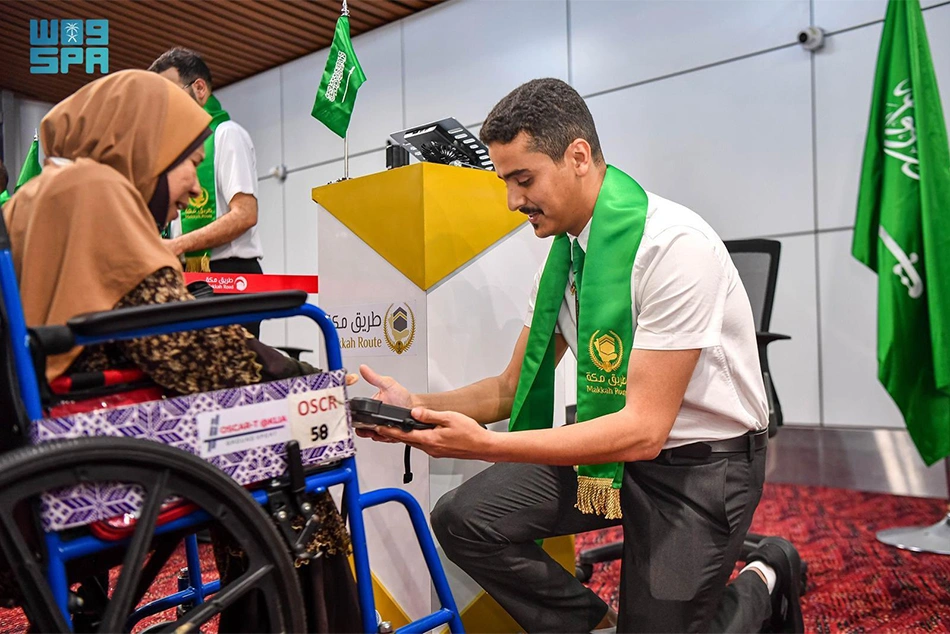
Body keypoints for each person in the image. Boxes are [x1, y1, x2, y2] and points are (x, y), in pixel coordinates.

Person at [358, 78, 804, 633]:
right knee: (464, 519)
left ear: (577, 156)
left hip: (701, 466)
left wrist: (489, 446)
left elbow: (644, 429)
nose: (513, 201)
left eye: (524, 179)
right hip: (614, 460)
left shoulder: (673, 249)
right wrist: (415, 404)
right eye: (505, 182)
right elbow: (508, 386)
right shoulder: (565, 262)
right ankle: (595, 625)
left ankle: (768, 575)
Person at [2, 70, 360, 633]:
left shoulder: (39, 197)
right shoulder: (96, 192)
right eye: (191, 162)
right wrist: (305, 384)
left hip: (59, 447)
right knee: (296, 470)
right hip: (102, 462)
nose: (196, 189)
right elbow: (183, 346)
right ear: (143, 144)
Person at [149, 47, 265, 338]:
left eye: (172, 94)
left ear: (199, 88)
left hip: (231, 276)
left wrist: (176, 246)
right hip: (192, 275)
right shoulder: (179, 147)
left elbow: (245, 214)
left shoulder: (227, 134)